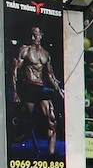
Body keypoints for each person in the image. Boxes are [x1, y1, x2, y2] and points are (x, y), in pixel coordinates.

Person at [9, 25, 62, 156]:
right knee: (27, 120)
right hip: (28, 86)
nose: (34, 37)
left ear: (41, 35)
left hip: (40, 87)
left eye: (36, 34)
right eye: (32, 34)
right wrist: (15, 92)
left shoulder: (45, 54)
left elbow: (50, 75)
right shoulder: (24, 50)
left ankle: (51, 153)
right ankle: (21, 145)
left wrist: (59, 90)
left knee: (52, 119)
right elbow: (14, 72)